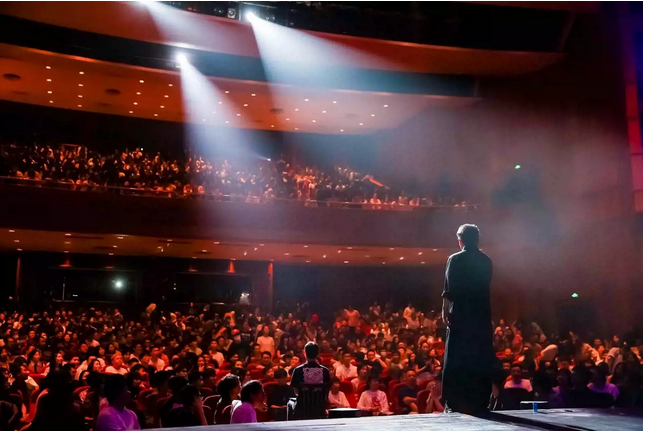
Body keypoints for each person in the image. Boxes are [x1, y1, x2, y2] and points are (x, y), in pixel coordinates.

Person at [441, 224, 495, 414]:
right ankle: (480, 399)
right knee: (480, 355)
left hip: (461, 316)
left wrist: (446, 310)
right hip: (480, 317)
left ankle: (455, 400)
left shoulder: (454, 259)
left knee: (457, 355)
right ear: (477, 239)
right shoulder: (486, 261)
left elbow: (450, 290)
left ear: (460, 239)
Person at [289, 341, 331, 419]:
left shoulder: (298, 370)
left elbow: (295, 391)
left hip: (302, 408)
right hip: (319, 408)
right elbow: (327, 390)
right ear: (318, 354)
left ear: (304, 353)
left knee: (290, 403)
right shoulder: (325, 371)